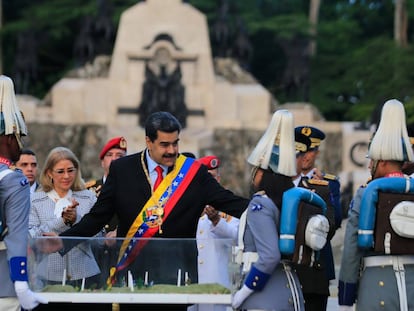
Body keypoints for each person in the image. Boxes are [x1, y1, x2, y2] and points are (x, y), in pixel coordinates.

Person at [43, 111, 249, 311]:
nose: (172, 150)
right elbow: (98, 217)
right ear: (148, 142)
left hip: (176, 277)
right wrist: (63, 240)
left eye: (175, 143)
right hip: (133, 274)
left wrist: (265, 207)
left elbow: (230, 202)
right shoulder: (123, 170)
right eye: (164, 144)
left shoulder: (193, 173)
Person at [338, 99, 414, 310]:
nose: (369, 165)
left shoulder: (366, 193)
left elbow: (352, 251)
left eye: (372, 160)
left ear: (381, 161)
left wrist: (345, 299)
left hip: (376, 287)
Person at [231, 109, 305, 310]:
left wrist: (244, 291)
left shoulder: (260, 204)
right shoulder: (286, 199)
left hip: (263, 296)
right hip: (288, 288)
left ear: (264, 173)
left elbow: (270, 256)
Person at [29, 147, 101, 310]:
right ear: (49, 173)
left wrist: (77, 220)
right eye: (60, 171)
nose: (66, 176)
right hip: (47, 277)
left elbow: (99, 239)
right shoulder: (35, 200)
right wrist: (61, 221)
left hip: (85, 275)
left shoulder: (88, 197)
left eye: (71, 170)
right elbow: (32, 237)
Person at [0, 75, 46, 310]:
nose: (20, 145)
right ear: (8, 138)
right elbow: (16, 236)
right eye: (19, 138)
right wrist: (21, 283)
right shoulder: (13, 179)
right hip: (3, 284)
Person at [293, 129, 337, 311]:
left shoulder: (325, 185)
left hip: (314, 267)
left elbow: (334, 223)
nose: (305, 158)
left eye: (310, 151)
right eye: (300, 153)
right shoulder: (274, 186)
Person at [190, 155, 240, 311]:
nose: (210, 182)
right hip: (190, 284)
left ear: (218, 179)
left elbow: (237, 237)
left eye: (213, 177)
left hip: (216, 285)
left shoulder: (228, 205)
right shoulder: (188, 204)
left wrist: (217, 221)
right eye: (206, 178)